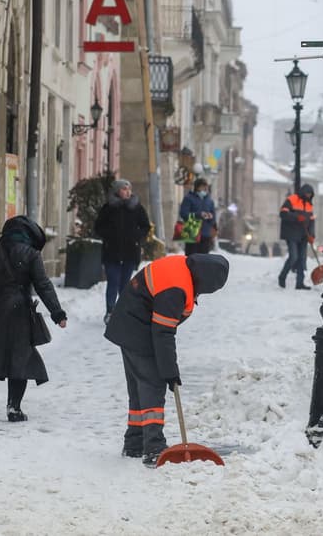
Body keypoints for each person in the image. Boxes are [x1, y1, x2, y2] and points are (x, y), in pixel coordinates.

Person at [104, 253, 230, 467]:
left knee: (138, 389)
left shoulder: (182, 267)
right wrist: (170, 371)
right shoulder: (176, 289)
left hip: (128, 324)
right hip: (136, 329)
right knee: (152, 386)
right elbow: (163, 332)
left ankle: (134, 443)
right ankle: (154, 448)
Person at [0, 216, 68, 424]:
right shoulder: (31, 254)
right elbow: (43, 285)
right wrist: (57, 313)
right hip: (18, 313)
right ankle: (14, 408)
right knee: (21, 359)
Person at [94, 179, 151, 323]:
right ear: (117, 191)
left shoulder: (136, 207)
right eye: (124, 189)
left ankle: (124, 311)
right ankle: (110, 311)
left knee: (125, 284)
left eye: (129, 189)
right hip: (111, 251)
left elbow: (145, 226)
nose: (127, 192)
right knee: (112, 281)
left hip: (130, 252)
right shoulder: (108, 207)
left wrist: (136, 236)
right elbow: (98, 227)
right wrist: (109, 235)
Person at [277, 183, 315, 290]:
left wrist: (312, 235)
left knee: (302, 260)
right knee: (294, 257)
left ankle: (300, 283)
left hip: (304, 235)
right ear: (303, 192)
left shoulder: (309, 205)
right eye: (307, 193)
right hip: (292, 233)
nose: (308, 196)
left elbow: (312, 221)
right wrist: (296, 217)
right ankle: (282, 276)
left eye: (310, 194)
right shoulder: (292, 199)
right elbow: (283, 213)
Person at [179, 178, 217, 255]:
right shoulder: (188, 198)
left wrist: (210, 217)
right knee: (191, 258)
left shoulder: (209, 200)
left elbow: (213, 216)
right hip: (192, 233)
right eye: (203, 186)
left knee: (203, 259)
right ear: (197, 187)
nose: (205, 189)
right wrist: (198, 215)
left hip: (205, 234)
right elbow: (184, 214)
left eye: (206, 187)